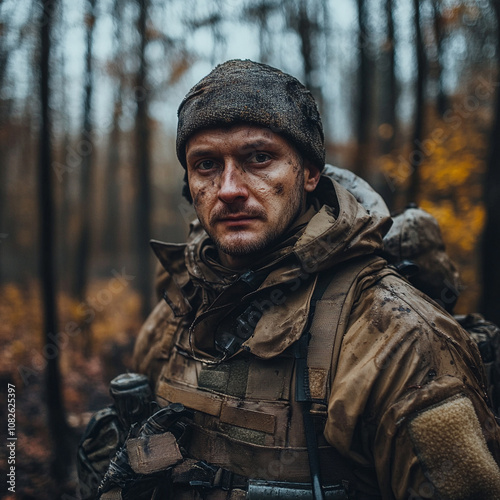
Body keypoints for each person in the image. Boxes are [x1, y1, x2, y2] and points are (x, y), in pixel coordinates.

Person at [90, 59, 500, 500]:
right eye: (206, 164)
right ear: (189, 184)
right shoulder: (180, 303)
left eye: (259, 158)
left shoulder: (400, 338)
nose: (229, 188)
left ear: (308, 173)